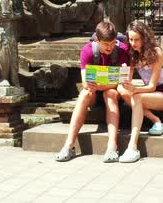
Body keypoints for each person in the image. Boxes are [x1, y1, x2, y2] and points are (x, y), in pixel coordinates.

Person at [55, 21, 129, 162]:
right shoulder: (88, 51)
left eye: (113, 43)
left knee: (111, 94)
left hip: (112, 92)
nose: (110, 47)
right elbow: (86, 84)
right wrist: (107, 83)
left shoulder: (123, 50)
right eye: (106, 44)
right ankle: (69, 144)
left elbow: (124, 80)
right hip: (94, 94)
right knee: (84, 94)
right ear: (97, 40)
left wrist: (102, 85)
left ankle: (112, 146)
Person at [117, 20, 163, 163]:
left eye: (136, 39)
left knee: (136, 97)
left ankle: (132, 147)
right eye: (130, 39)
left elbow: (152, 86)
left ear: (144, 37)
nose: (133, 43)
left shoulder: (156, 52)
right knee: (123, 91)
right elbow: (126, 80)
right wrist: (122, 81)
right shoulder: (133, 55)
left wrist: (135, 90)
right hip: (149, 94)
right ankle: (156, 121)